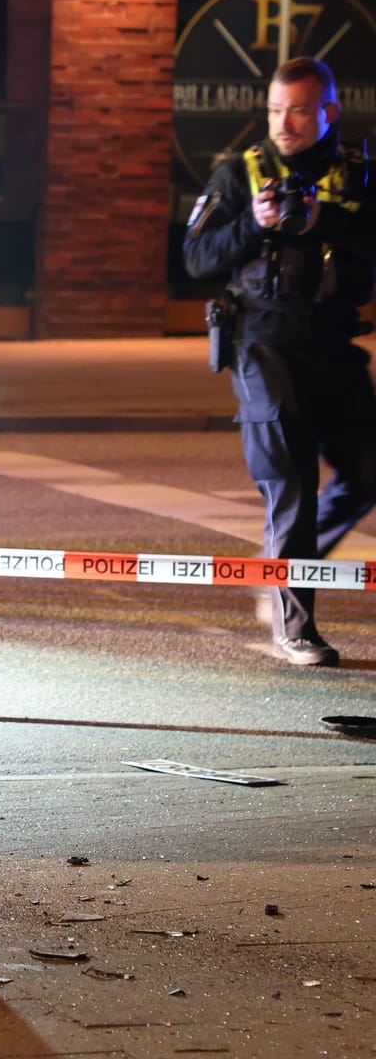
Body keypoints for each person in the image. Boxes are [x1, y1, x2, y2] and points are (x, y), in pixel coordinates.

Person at [184, 56, 376, 667]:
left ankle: (286, 567)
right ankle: (296, 627)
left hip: (333, 341)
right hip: (261, 342)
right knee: (291, 480)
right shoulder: (239, 173)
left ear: (329, 111)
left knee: (369, 471)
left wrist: (329, 219)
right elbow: (196, 256)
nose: (284, 122)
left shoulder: (357, 173)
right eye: (274, 109)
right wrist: (254, 224)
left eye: (297, 109)